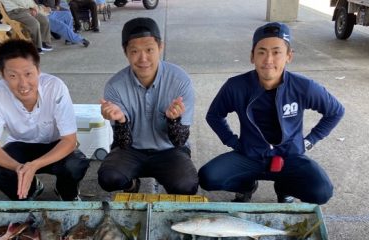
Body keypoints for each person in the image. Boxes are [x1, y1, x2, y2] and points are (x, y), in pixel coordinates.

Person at [199, 22, 345, 204]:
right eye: (261, 52)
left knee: (321, 192)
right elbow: (214, 115)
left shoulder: (303, 87)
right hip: (250, 156)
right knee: (208, 177)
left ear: (289, 56)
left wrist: (309, 142)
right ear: (252, 56)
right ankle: (246, 186)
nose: (268, 60)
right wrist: (233, 142)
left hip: (289, 156)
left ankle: (284, 188)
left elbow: (336, 111)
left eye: (276, 52)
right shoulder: (235, 86)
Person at [0, 39, 90, 201]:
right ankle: (30, 190)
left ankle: (66, 193)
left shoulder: (55, 87)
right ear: (2, 75)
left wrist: (34, 165)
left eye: (28, 74)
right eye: (13, 76)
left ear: (38, 70)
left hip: (55, 144)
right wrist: (18, 168)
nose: (23, 84)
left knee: (76, 164)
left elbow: (70, 140)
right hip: (19, 145)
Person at [97, 17, 199, 195]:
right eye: (135, 51)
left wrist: (174, 120)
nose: (143, 58)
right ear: (125, 52)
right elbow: (122, 143)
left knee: (187, 185)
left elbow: (180, 141)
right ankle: (131, 186)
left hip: (169, 150)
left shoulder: (180, 82)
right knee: (109, 177)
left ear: (160, 47)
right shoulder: (115, 86)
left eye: (149, 49)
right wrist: (120, 121)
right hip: (132, 150)